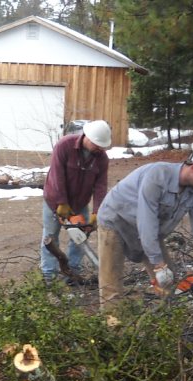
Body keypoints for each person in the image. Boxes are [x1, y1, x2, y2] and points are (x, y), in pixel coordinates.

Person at [96, 137, 193, 309]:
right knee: (111, 287)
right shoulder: (157, 176)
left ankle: (167, 325)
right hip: (116, 221)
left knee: (169, 282)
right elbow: (146, 219)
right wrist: (158, 265)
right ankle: (113, 327)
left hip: (149, 229)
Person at [40, 119, 111, 283]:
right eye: (96, 144)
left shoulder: (101, 158)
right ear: (87, 136)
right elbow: (56, 176)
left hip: (80, 204)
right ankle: (48, 275)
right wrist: (61, 202)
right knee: (51, 236)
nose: (99, 148)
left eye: (102, 146)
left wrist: (96, 212)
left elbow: (101, 186)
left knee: (80, 237)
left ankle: (72, 274)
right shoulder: (64, 145)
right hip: (54, 200)